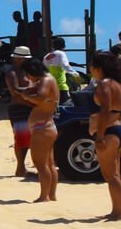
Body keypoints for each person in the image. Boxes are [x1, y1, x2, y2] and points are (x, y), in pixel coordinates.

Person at [89, 52, 121, 220]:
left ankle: (119, 212)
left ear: (98, 68)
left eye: (92, 66)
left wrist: (99, 136)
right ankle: (117, 210)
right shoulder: (118, 85)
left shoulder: (104, 84)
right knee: (115, 174)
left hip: (109, 130)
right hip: (118, 129)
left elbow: (104, 110)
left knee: (110, 175)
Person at [17, 58, 60, 203]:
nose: (28, 77)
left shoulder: (45, 80)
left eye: (28, 74)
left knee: (41, 164)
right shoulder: (49, 80)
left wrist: (25, 96)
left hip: (42, 128)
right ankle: (51, 195)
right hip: (47, 126)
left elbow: (40, 98)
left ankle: (44, 196)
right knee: (49, 164)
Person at [5, 47, 34, 177]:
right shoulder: (12, 73)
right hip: (18, 108)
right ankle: (20, 167)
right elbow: (14, 91)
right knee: (20, 138)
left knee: (26, 138)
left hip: (26, 107)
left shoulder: (24, 72)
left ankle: (21, 167)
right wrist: (31, 90)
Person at [43, 36, 76, 104]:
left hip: (50, 88)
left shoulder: (47, 56)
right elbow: (66, 66)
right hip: (61, 87)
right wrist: (75, 74)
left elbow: (43, 69)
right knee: (64, 107)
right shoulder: (61, 54)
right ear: (63, 46)